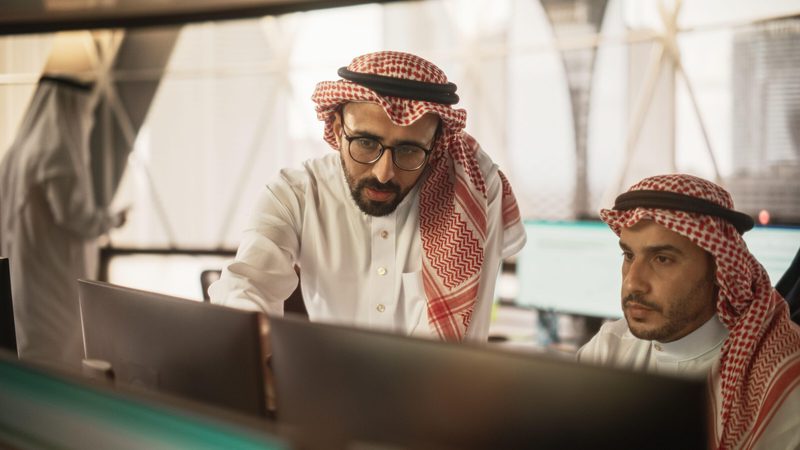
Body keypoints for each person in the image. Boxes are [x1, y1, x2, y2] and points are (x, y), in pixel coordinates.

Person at [210, 51, 526, 342]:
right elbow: (246, 284)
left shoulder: (471, 193)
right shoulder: (296, 193)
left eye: (408, 150)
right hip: (328, 389)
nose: (384, 172)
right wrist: (259, 343)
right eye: (365, 143)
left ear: (435, 146)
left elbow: (467, 338)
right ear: (337, 127)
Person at [577, 174, 800, 449]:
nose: (633, 282)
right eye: (629, 256)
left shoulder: (782, 378)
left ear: (719, 270)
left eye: (662, 259)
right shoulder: (608, 349)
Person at [0, 76, 126, 369]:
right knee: (57, 358)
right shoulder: (56, 155)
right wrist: (112, 220)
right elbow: (77, 218)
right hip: (54, 285)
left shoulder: (20, 154)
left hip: (28, 278)